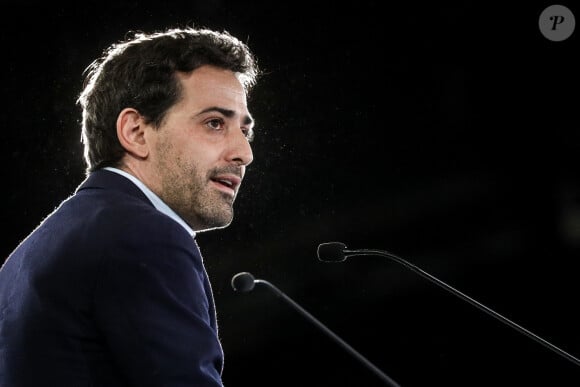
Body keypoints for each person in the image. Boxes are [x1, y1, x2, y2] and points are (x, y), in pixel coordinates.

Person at [0, 24, 260, 387]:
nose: (243, 153)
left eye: (244, 131)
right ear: (136, 132)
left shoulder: (29, 254)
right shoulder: (144, 237)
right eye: (214, 123)